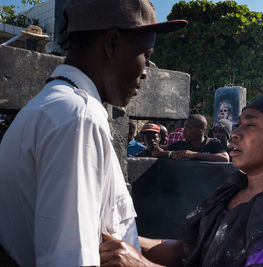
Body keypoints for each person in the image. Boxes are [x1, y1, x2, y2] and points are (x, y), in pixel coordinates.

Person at [0, 0, 187, 265]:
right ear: (112, 44)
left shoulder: (57, 107)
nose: (146, 71)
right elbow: (70, 260)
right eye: (146, 55)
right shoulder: (78, 117)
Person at [99, 93, 263, 266]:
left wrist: (140, 264)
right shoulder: (231, 192)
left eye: (251, 125)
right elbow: (188, 251)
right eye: (238, 124)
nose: (235, 133)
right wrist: (121, 240)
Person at [153, 114, 229, 162]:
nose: (184, 131)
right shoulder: (181, 144)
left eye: (189, 128)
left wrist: (194, 154)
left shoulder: (212, 143)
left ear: (200, 131)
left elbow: (225, 158)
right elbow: (157, 151)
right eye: (184, 127)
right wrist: (171, 154)